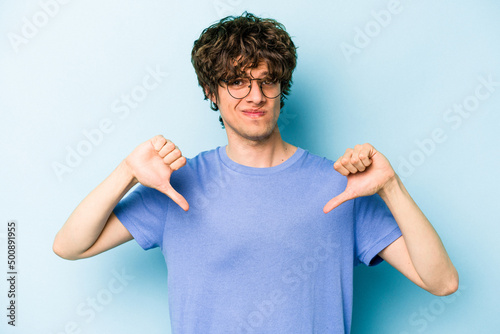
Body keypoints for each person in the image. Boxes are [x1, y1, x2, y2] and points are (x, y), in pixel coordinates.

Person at [53, 12, 458, 334]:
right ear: (211, 91)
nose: (256, 96)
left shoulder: (340, 187)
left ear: (283, 87)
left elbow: (442, 282)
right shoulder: (176, 186)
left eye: (268, 81)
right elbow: (70, 245)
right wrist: (126, 172)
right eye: (237, 82)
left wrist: (391, 186)